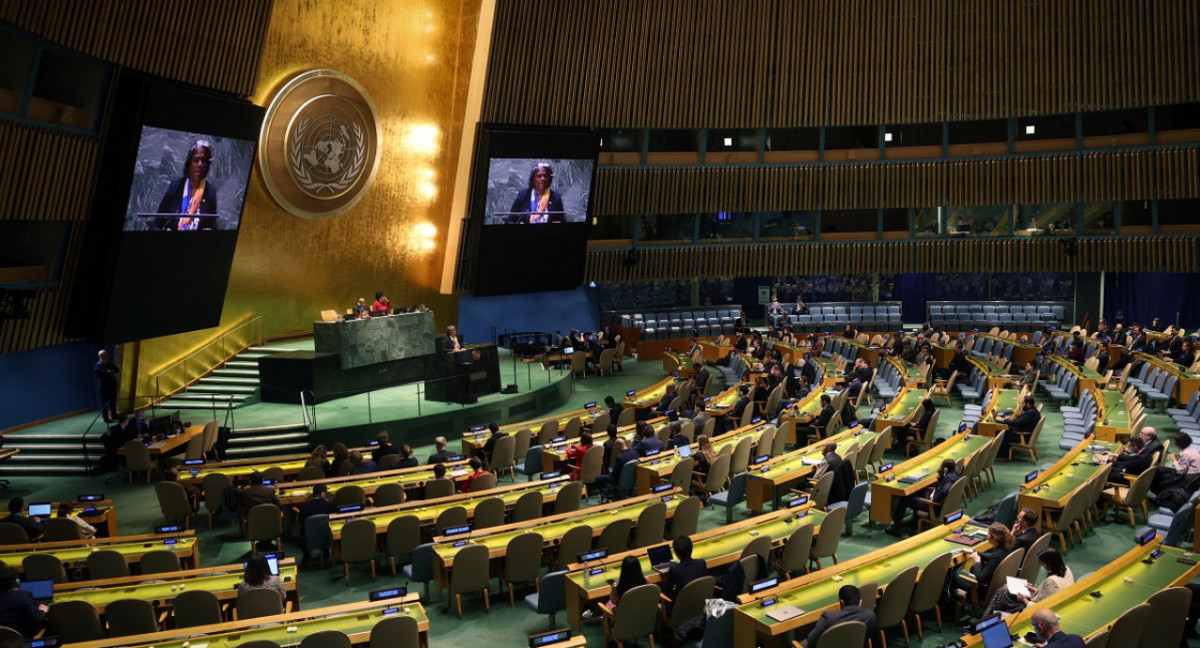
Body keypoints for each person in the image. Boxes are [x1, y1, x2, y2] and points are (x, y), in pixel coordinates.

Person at [982, 547, 1074, 618]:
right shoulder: (1066, 569)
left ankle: (986, 618)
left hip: (1035, 608)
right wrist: (1035, 589)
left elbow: (1046, 608)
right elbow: (1050, 593)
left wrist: (1025, 601)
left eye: (1041, 562)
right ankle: (989, 617)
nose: (1040, 564)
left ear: (1048, 563)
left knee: (1001, 593)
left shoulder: (1051, 582)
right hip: (1049, 601)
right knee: (1004, 590)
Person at [950, 523, 1016, 618]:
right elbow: (992, 557)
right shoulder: (1006, 549)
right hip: (997, 586)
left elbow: (981, 578)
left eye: (988, 534)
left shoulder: (997, 555)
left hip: (980, 590)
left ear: (994, 538)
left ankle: (950, 611)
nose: (987, 535)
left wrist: (977, 561)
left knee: (952, 572)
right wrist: (974, 552)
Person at [153, 140, 218, 231]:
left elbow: (213, 228)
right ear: (189, 164)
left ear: (207, 165)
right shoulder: (175, 186)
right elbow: (155, 226)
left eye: (203, 161)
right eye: (196, 160)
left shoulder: (211, 192)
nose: (200, 165)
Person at [885, 459, 959, 537]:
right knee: (921, 491)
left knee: (905, 499)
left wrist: (933, 498)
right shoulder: (955, 476)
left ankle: (896, 527)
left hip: (934, 507)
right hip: (942, 505)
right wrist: (941, 478)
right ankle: (915, 522)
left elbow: (942, 493)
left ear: (945, 469)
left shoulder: (949, 480)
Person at [798, 585, 876, 648]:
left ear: (841, 602)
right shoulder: (870, 617)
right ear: (860, 601)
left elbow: (810, 641)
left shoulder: (828, 617)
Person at [0, 565, 47, 638]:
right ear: (16, 581)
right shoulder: (23, 596)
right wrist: (42, 611)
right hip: (21, 641)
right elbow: (37, 619)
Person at [662, 536, 707, 602]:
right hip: (700, 603)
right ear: (691, 548)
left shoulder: (674, 570)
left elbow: (667, 592)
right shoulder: (702, 563)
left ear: (676, 553)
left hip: (680, 607)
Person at [94, 349, 120, 422]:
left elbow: (117, 370)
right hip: (104, 387)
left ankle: (114, 415)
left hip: (112, 385)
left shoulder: (109, 363)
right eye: (105, 355)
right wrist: (110, 371)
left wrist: (109, 371)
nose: (107, 356)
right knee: (104, 404)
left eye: (107, 354)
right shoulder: (98, 365)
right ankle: (105, 418)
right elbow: (103, 374)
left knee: (113, 401)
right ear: (101, 356)